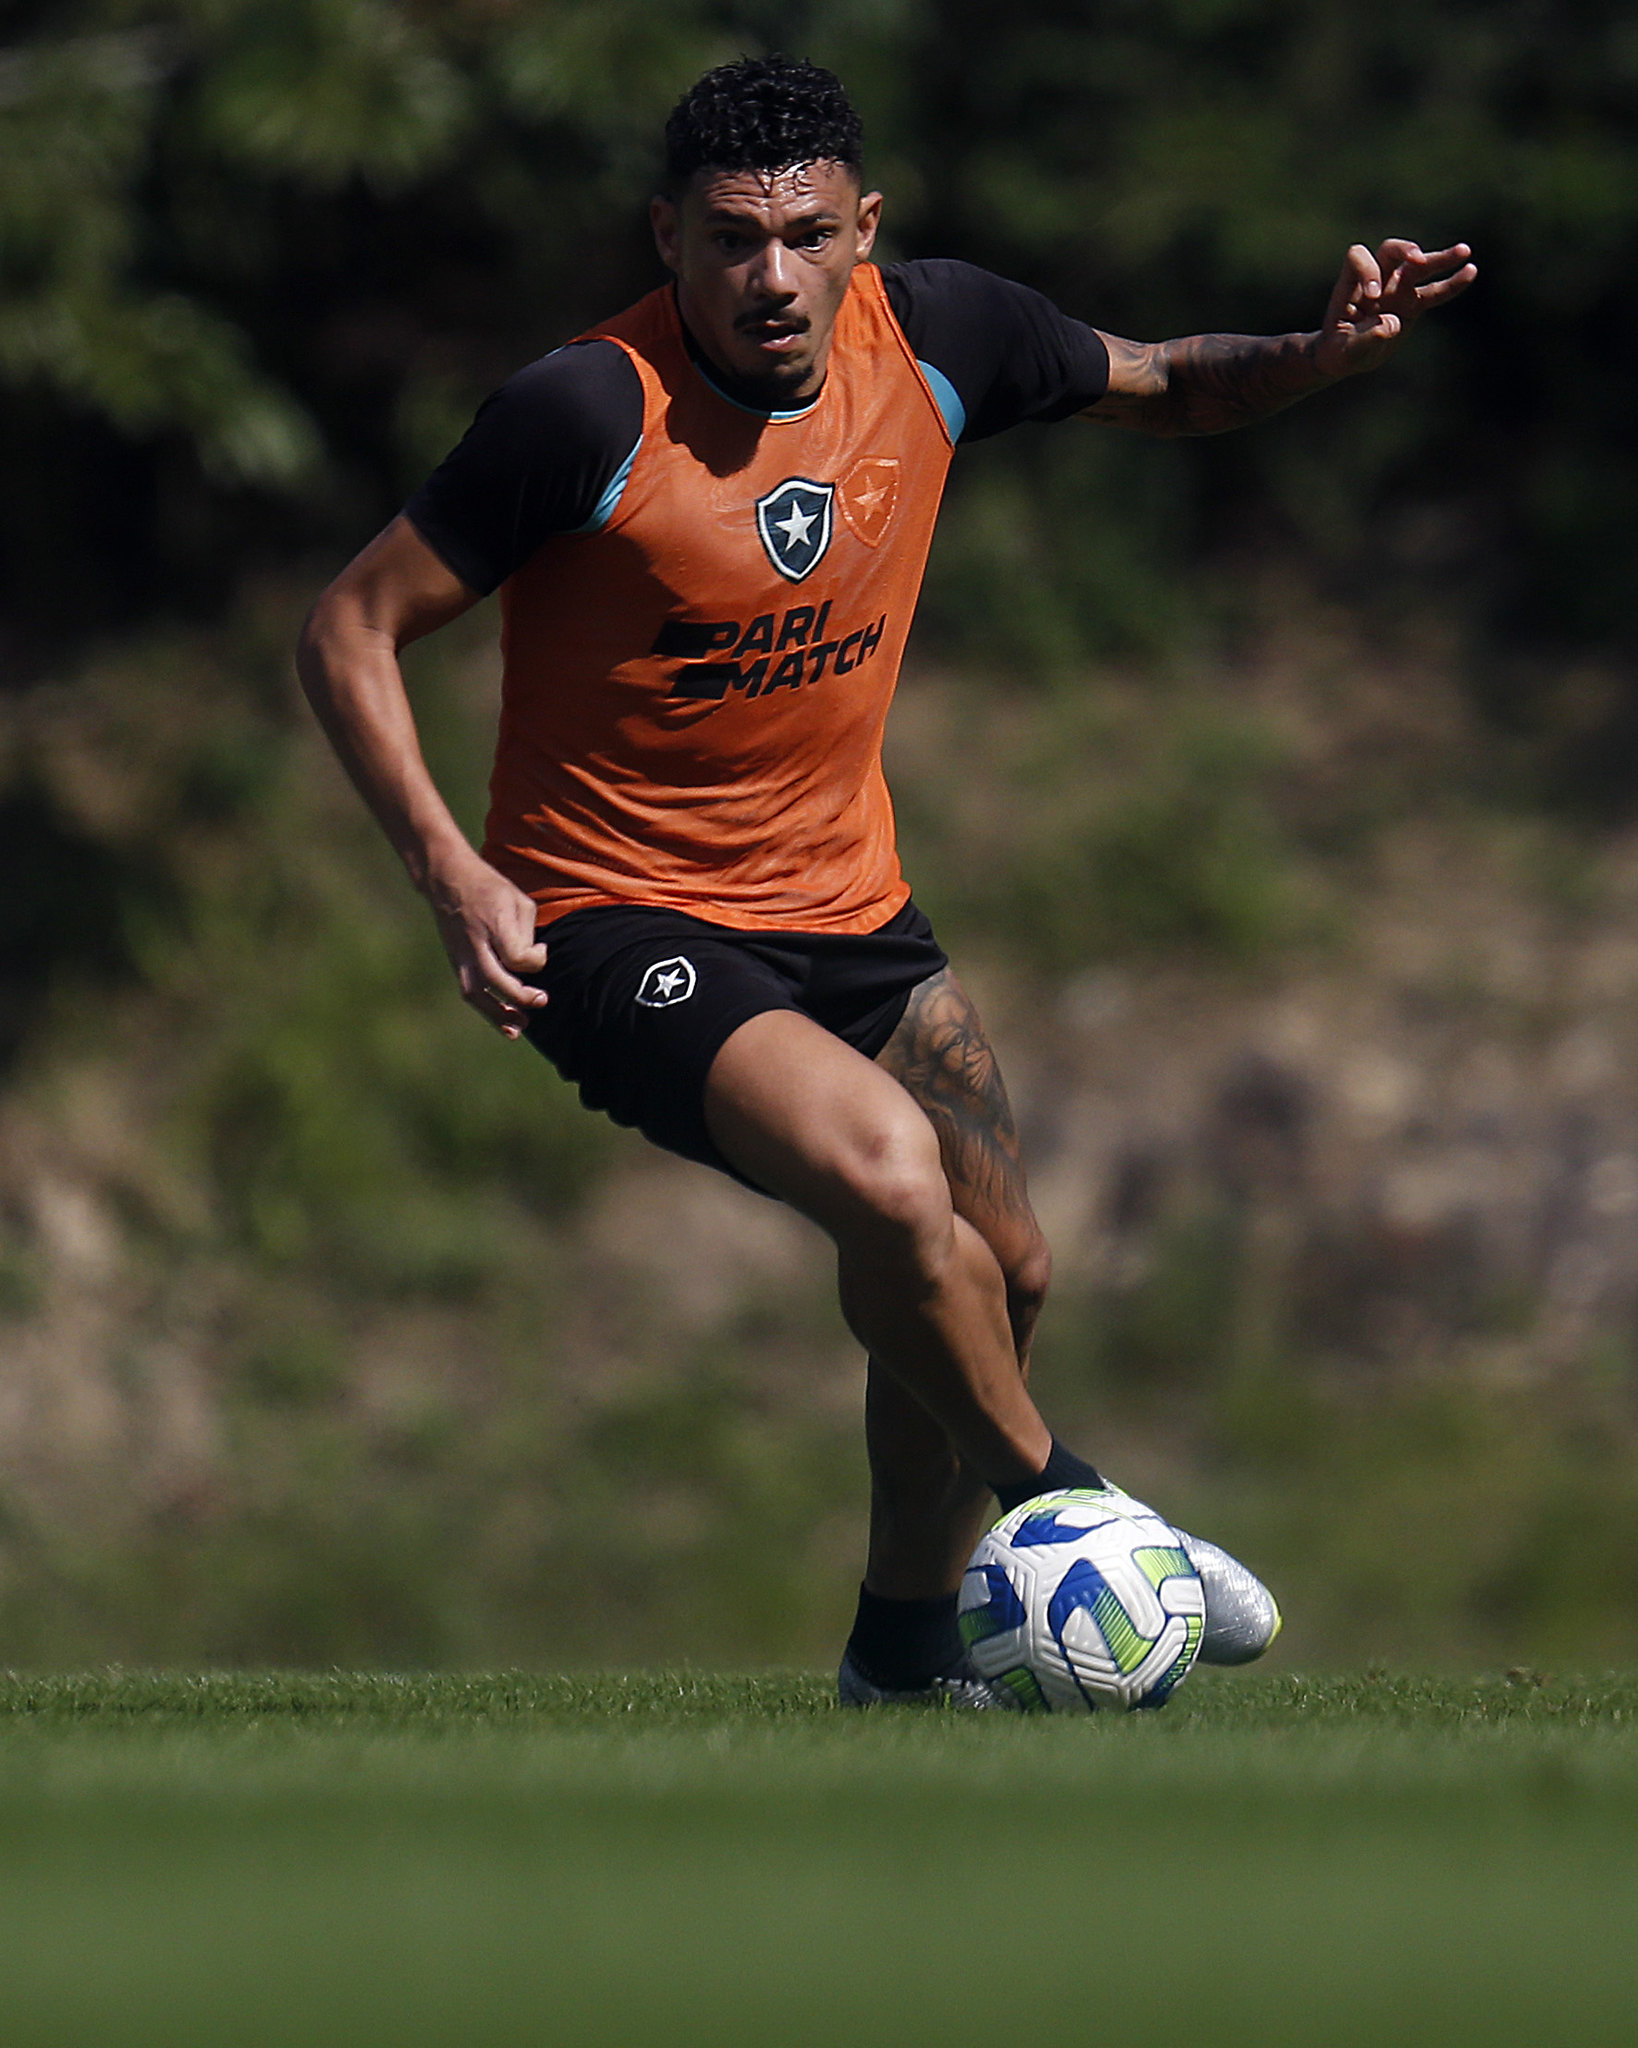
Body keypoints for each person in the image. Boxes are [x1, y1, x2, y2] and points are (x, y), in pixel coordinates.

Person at [297, 56, 1476, 1705]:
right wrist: (446, 870)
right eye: (724, 241)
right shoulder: (581, 413)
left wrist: (1321, 352)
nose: (764, 277)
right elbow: (349, 624)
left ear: (864, 230)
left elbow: (1163, 382)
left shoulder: (936, 336)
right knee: (889, 1182)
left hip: (848, 911)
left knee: (1004, 1273)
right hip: (612, 917)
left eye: (800, 235)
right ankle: (1080, 1511)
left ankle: (902, 1656)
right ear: (668, 237)